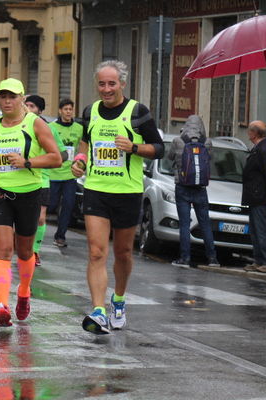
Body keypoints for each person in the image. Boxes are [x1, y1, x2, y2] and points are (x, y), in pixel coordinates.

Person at [72, 60, 164, 334]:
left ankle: (119, 299)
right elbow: (86, 143)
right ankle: (99, 310)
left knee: (122, 252)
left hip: (128, 192)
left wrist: (134, 147)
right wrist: (79, 159)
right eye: (102, 83)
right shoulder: (90, 112)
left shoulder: (137, 112)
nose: (107, 89)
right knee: (96, 251)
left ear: (122, 84)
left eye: (112, 83)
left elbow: (158, 148)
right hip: (96, 189)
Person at [0, 78, 61, 327]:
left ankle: (23, 291)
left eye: (12, 96)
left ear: (22, 98)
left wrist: (27, 162)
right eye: (3, 96)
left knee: (24, 251)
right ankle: (2, 305)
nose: (7, 101)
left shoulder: (36, 124)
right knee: (2, 251)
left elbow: (56, 158)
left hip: (29, 194)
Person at [167, 115, 220, 268]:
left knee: (184, 224)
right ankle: (212, 259)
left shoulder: (178, 141)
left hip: (182, 186)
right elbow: (209, 158)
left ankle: (185, 258)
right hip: (200, 188)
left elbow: (170, 156)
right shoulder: (207, 142)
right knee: (205, 223)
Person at [24, 94, 67, 266]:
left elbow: (63, 154)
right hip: (20, 179)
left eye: (32, 106)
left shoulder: (49, 129)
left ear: (40, 110)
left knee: (40, 218)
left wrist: (51, 161)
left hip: (42, 179)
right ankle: (22, 247)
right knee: (22, 218)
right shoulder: (17, 126)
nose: (28, 109)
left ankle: (34, 251)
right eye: (25, 105)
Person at [241, 120, 266, 274]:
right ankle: (259, 260)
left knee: (262, 230)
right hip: (255, 196)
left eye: (249, 130)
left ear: (254, 133)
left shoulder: (264, 150)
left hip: (261, 197)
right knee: (255, 230)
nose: (248, 133)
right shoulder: (258, 148)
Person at [49, 99, 84, 247]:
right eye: (66, 109)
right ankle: (34, 230)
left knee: (68, 205)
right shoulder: (51, 127)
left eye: (71, 109)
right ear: (60, 111)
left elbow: (82, 149)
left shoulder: (79, 128)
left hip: (70, 174)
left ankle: (60, 236)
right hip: (53, 174)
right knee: (50, 205)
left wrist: (80, 164)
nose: (68, 112)